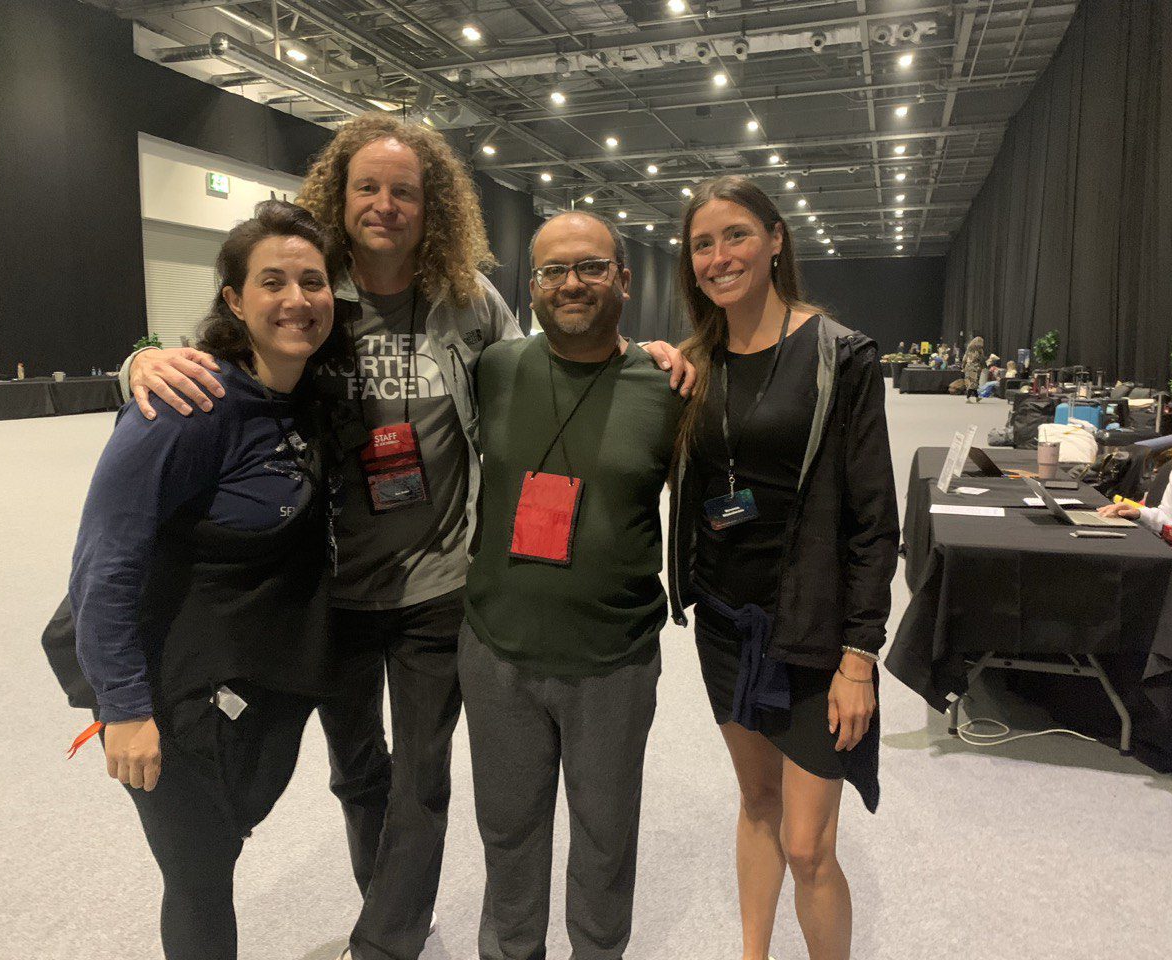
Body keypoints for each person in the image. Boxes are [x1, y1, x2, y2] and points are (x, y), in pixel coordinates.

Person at [116, 113, 693, 960]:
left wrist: (643, 359)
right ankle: (386, 908)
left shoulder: (468, 302)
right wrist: (137, 362)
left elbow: (552, 365)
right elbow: (221, 363)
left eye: (405, 191)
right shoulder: (309, 294)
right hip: (332, 587)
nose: (385, 204)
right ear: (339, 198)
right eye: (368, 188)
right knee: (357, 773)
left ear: (434, 207)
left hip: (439, 586)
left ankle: (385, 944)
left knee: (422, 778)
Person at [69, 201, 349, 960]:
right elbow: (103, 563)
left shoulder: (307, 391)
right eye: (272, 282)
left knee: (220, 849)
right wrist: (124, 708)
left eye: (313, 281)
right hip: (172, 689)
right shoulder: (186, 407)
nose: (296, 299)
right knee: (198, 880)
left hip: (255, 673)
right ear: (234, 298)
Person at [667, 176, 899, 960]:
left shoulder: (839, 355)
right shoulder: (697, 364)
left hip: (815, 633)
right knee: (757, 799)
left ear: (775, 240)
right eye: (702, 244)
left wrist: (860, 656)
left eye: (736, 235)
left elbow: (874, 519)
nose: (719, 256)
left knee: (809, 846)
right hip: (726, 623)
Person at [458, 210, 682, 960]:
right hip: (497, 649)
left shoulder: (668, 385)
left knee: (605, 837)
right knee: (507, 831)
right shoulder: (496, 367)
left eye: (590, 266)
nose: (571, 284)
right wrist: (145, 362)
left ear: (624, 278)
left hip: (613, 659)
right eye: (553, 270)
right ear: (532, 287)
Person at [962, 336, 986, 402]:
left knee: (972, 383)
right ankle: (967, 398)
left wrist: (963, 366)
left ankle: (977, 397)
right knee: (973, 383)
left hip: (968, 367)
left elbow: (964, 358)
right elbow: (982, 359)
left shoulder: (969, 349)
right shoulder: (980, 350)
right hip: (975, 368)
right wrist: (985, 366)